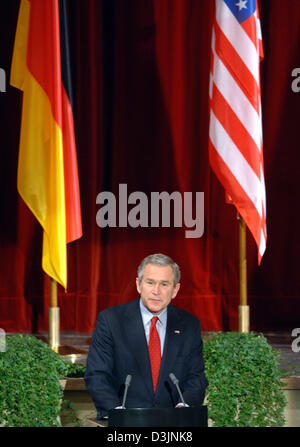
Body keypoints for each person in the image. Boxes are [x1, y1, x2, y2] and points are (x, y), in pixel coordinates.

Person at [84, 253, 208, 419]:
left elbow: (196, 377)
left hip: (173, 424)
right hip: (124, 425)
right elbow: (97, 374)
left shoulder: (189, 325)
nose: (156, 291)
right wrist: (117, 413)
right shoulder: (111, 321)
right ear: (138, 284)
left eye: (164, 284)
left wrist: (184, 408)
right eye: (150, 283)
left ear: (175, 290)